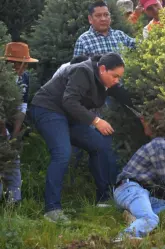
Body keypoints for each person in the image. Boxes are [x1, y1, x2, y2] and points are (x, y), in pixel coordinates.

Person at [29, 53, 139, 222]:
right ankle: (52, 210)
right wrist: (96, 121)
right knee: (62, 153)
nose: (117, 80)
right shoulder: (82, 71)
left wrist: (144, 115)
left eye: (119, 77)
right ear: (102, 69)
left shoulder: (106, 80)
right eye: (115, 76)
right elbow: (69, 101)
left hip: (69, 116)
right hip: (48, 109)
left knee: (100, 145)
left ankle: (103, 200)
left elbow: (125, 96)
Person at [0, 42, 38, 204]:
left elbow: (22, 106)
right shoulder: (2, 79)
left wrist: (15, 134)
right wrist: (3, 132)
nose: (23, 68)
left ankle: (14, 201)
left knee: (13, 159)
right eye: (20, 64)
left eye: (25, 65)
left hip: (11, 124)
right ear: (11, 63)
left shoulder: (25, 78)